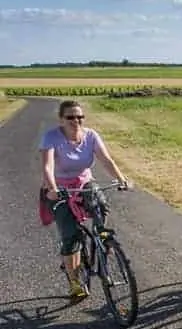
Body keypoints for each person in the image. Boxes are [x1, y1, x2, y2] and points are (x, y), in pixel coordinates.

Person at [38, 100, 131, 299]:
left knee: (100, 203)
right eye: (70, 117)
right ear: (61, 119)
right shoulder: (51, 137)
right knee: (70, 234)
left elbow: (106, 160)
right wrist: (53, 189)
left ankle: (102, 241)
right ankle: (74, 281)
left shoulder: (91, 135)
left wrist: (121, 179)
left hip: (83, 182)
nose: (76, 121)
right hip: (59, 187)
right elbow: (47, 166)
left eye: (80, 117)